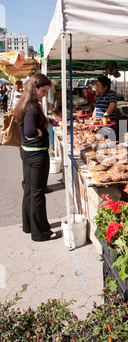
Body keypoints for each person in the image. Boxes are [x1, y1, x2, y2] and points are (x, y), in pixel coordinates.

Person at [14, 73, 60, 242]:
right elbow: (30, 132)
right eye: (43, 91)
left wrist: (46, 120)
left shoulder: (25, 104)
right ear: (35, 87)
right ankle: (41, 232)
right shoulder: (32, 107)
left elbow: (30, 122)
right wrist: (41, 131)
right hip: (36, 154)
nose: (44, 95)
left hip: (27, 153)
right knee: (38, 194)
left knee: (29, 190)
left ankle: (28, 226)